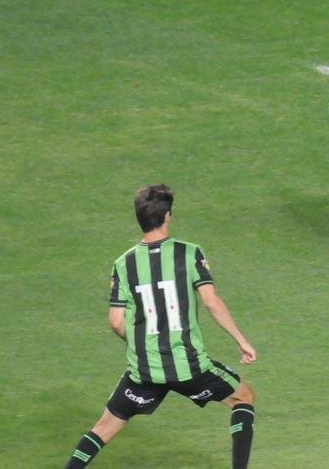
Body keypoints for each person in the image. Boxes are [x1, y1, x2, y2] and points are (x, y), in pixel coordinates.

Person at [64, 184, 257, 468]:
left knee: (104, 427)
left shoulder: (123, 264)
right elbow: (212, 302)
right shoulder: (188, 253)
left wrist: (143, 345)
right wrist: (241, 340)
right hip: (189, 367)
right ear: (167, 216)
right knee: (243, 398)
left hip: (144, 370)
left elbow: (116, 323)